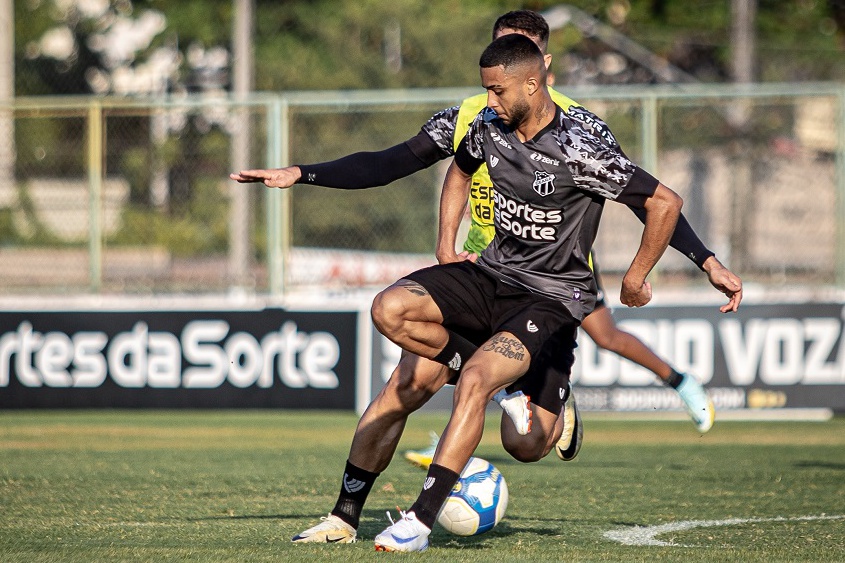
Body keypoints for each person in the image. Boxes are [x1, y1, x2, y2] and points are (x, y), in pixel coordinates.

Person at [231, 11, 741, 441]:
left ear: (540, 67)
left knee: (559, 393)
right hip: (484, 266)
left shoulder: (581, 129)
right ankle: (385, 497)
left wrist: (706, 260)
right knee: (411, 381)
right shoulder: (472, 117)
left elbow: (647, 200)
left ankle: (603, 394)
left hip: (555, 275)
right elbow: (389, 164)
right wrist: (302, 173)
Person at [361, 33, 685, 551]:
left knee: (525, 442)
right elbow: (460, 172)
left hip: (552, 298)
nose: (488, 102)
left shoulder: (580, 149)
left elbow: (665, 202)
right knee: (389, 309)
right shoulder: (489, 128)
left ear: (532, 84)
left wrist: (635, 277)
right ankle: (424, 518)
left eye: (496, 91)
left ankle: (421, 519)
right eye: (485, 91)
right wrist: (446, 243)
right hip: (492, 274)